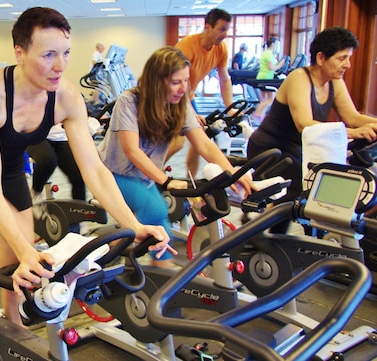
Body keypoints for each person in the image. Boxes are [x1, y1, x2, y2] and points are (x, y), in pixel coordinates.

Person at [0, 7, 172, 356]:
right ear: (19, 52)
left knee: (25, 252)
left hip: (11, 167)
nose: (60, 66)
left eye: (65, 53)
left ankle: (13, 331)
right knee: (8, 248)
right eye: (48, 55)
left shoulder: (65, 96)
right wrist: (23, 249)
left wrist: (133, 224)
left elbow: (95, 170)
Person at [98, 46, 253, 268]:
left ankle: (159, 276)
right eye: (176, 82)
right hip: (113, 173)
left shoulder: (180, 105)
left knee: (161, 226)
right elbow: (132, 151)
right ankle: (135, 260)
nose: (184, 89)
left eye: (186, 81)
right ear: (157, 81)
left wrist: (233, 173)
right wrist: (167, 181)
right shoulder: (129, 101)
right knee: (157, 210)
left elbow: (204, 145)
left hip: (144, 176)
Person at [247, 27, 377, 233]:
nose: (347, 64)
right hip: (271, 149)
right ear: (321, 57)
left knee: (319, 187)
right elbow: (304, 124)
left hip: (299, 150)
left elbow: (352, 117)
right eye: (342, 58)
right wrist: (351, 133)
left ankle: (310, 242)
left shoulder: (334, 81)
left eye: (349, 58)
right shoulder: (299, 78)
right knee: (301, 188)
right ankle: (262, 239)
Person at [172, 8, 235, 177]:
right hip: (171, 96)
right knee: (177, 142)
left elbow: (224, 79)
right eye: (221, 29)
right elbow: (175, 83)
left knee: (200, 137)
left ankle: (190, 182)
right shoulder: (186, 47)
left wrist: (230, 107)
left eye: (227, 30)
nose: (225, 34)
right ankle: (151, 176)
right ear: (207, 27)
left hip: (188, 96)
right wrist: (190, 113)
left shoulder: (220, 49)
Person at [251, 37, 286, 121]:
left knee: (264, 99)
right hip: (265, 78)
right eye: (277, 44)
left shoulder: (266, 53)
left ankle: (260, 116)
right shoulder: (269, 54)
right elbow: (271, 67)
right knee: (271, 99)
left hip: (263, 77)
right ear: (273, 44)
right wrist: (281, 64)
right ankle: (257, 114)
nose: (278, 47)